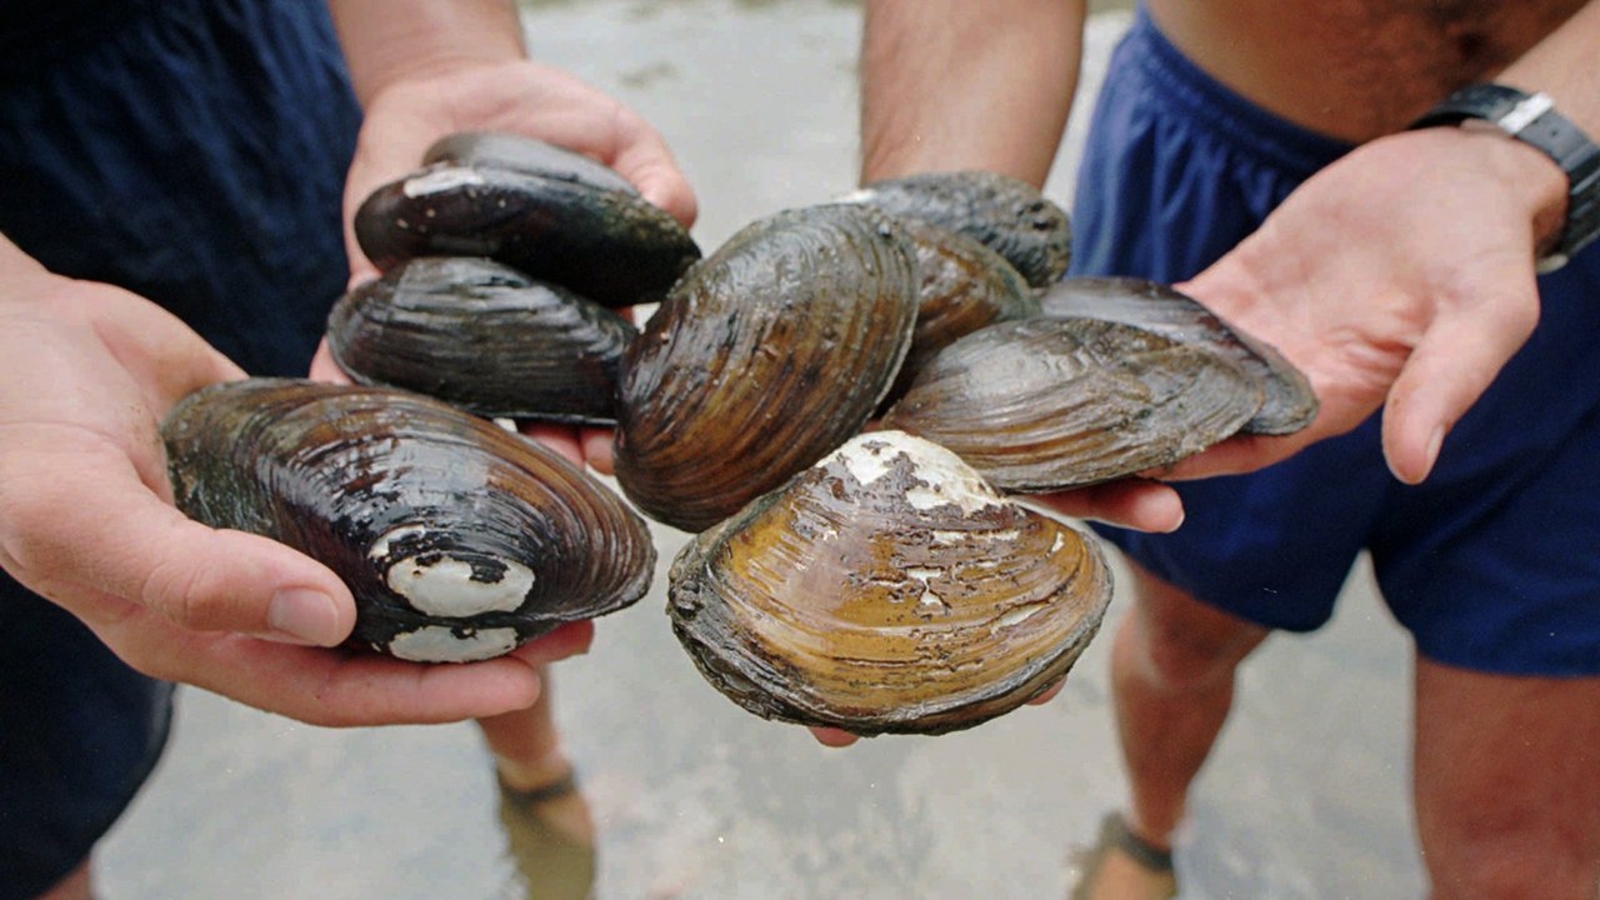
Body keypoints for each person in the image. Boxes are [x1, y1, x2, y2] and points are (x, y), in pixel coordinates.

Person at [859, 1, 1600, 898]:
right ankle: (1151, 828)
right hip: (1220, 199)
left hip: (1583, 187)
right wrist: (923, 289)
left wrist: (1535, 140)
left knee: (1522, 863)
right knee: (1183, 645)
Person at [0, 1, 696, 898]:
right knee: (29, 766)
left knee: (439, 455)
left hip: (226, 84)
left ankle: (535, 764)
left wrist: (431, 51)